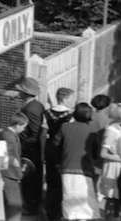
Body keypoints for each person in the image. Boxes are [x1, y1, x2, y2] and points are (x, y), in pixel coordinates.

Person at [53, 102, 101, 221]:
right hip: (85, 169)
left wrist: (58, 162)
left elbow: (55, 144)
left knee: (69, 196)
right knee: (85, 199)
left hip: (67, 166)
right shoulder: (92, 132)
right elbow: (96, 153)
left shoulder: (65, 127)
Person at [15, 76, 45, 216]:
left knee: (30, 179)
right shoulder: (36, 105)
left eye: (21, 90)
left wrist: (21, 142)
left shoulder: (31, 109)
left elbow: (34, 132)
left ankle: (31, 206)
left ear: (25, 93)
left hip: (30, 150)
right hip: (32, 149)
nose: (18, 92)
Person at [44, 87, 75, 221]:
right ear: (65, 98)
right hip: (62, 149)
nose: (72, 101)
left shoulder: (47, 113)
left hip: (50, 148)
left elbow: (44, 131)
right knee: (62, 182)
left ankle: (50, 210)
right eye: (71, 98)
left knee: (51, 180)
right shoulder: (70, 116)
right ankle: (60, 211)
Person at [99, 102, 121, 221]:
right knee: (112, 199)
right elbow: (103, 153)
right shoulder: (111, 130)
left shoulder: (120, 127)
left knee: (120, 199)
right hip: (113, 168)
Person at [1, 112, 29, 221]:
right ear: (17, 125)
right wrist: (19, 173)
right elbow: (11, 156)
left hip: (8, 173)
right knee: (15, 205)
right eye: (23, 126)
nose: (24, 129)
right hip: (10, 174)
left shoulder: (7, 134)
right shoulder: (10, 137)